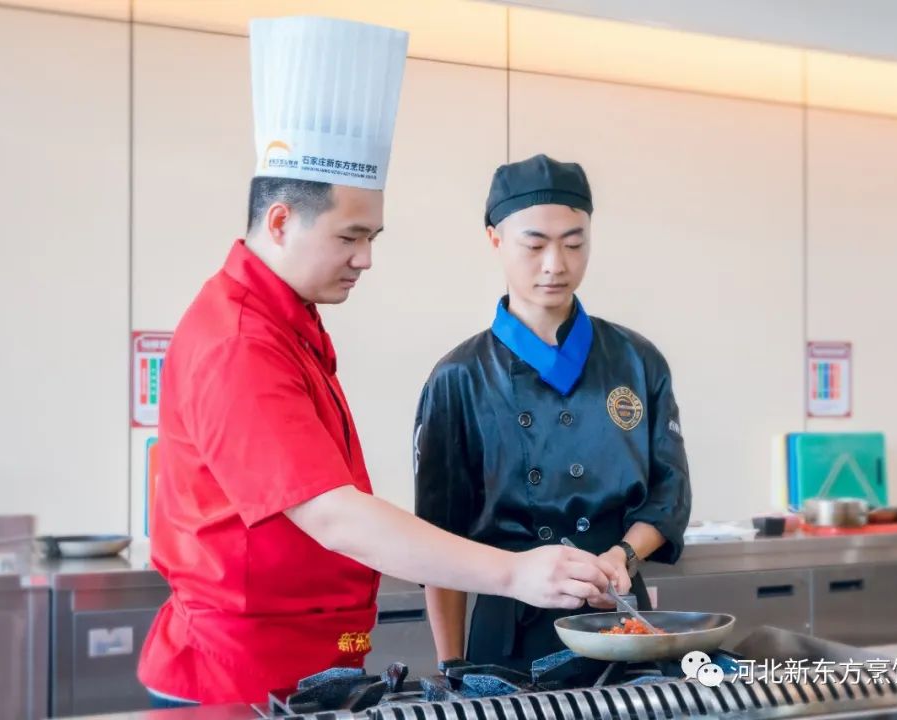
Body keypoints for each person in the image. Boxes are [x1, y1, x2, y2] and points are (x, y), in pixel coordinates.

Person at [137, 20, 622, 707]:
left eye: (373, 236)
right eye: (350, 236)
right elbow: (335, 516)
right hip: (238, 678)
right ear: (280, 222)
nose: (366, 258)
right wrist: (514, 574)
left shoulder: (288, 321)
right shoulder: (238, 342)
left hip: (308, 665)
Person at [414, 154, 692, 671]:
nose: (555, 264)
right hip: (509, 639)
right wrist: (452, 668)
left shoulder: (637, 360)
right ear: (495, 239)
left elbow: (669, 494)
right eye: (535, 244)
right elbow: (439, 542)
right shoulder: (458, 377)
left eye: (574, 243)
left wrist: (623, 555)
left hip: (620, 618)